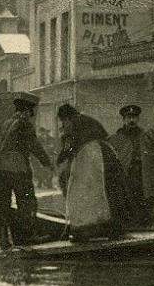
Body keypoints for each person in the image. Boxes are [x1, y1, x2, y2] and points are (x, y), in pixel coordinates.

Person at [56, 103, 130, 242]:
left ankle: (82, 230)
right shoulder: (87, 120)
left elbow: (69, 147)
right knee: (106, 193)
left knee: (80, 193)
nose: (63, 123)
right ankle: (112, 228)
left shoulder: (72, 124)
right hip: (105, 155)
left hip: (90, 158)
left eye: (63, 121)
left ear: (66, 118)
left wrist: (60, 159)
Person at [0, 94, 52, 251]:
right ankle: (26, 237)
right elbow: (34, 146)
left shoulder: (3, 124)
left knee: (2, 205)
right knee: (27, 202)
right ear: (26, 112)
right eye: (30, 114)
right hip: (18, 169)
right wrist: (47, 163)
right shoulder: (24, 125)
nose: (30, 117)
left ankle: (4, 240)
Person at [108, 104, 154, 227]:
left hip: (142, 177)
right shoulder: (116, 139)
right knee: (126, 204)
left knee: (146, 206)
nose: (131, 120)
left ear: (138, 119)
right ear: (123, 119)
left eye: (134, 117)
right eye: (128, 117)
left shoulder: (146, 137)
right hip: (126, 178)